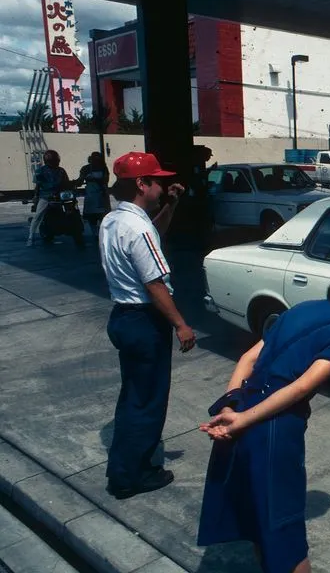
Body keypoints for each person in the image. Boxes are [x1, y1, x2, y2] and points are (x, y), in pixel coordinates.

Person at [196, 258, 330, 573]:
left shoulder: (302, 308)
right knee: (286, 537)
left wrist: (229, 408)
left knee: (259, 523)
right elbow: (301, 387)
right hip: (273, 431)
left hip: (242, 410)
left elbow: (248, 358)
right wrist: (244, 421)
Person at [99, 151, 196, 499]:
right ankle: (131, 477)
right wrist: (181, 324)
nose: (163, 186)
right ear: (142, 184)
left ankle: (123, 467)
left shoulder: (114, 220)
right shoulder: (137, 229)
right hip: (144, 322)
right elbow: (154, 284)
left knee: (133, 397)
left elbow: (153, 233)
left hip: (123, 318)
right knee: (147, 402)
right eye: (158, 181)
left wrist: (172, 204)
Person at [27, 149, 72, 246]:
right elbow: (38, 185)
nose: (55, 162)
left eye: (56, 160)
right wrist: (36, 196)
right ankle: (31, 237)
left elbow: (66, 182)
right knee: (38, 215)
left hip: (60, 195)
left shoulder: (61, 170)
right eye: (53, 160)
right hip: (46, 196)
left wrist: (71, 187)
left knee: (70, 208)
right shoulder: (40, 171)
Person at [75, 151, 111, 237]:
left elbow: (105, 180)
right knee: (92, 216)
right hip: (92, 194)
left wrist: (93, 179)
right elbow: (80, 180)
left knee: (102, 216)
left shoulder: (103, 168)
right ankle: (96, 233)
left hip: (101, 194)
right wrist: (75, 183)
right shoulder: (86, 168)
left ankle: (100, 233)